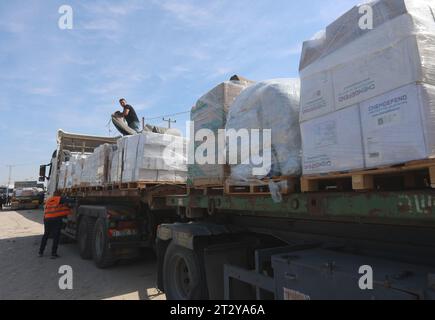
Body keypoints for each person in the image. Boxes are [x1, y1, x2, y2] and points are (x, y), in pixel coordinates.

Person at [38, 194, 73, 259]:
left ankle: (40, 252)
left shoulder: (49, 200)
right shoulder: (59, 198)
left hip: (47, 218)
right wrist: (73, 200)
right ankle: (53, 254)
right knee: (56, 236)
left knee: (46, 235)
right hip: (56, 218)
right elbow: (69, 201)